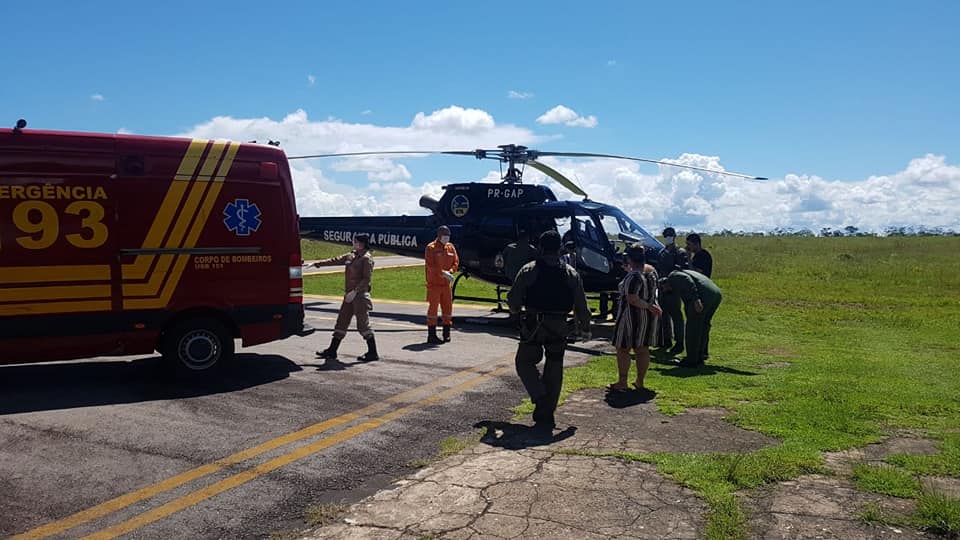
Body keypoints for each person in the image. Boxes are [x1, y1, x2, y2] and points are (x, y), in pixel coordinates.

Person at [508, 230, 591, 430]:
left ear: (541, 248)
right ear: (560, 248)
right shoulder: (571, 273)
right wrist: (585, 328)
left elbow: (514, 301)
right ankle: (547, 410)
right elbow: (581, 305)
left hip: (534, 325)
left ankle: (539, 395)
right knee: (554, 366)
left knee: (524, 362)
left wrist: (516, 312)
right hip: (559, 326)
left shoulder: (529, 270)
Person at [314, 233, 378, 362]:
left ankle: (373, 353)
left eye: (355, 241)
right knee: (341, 322)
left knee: (363, 325)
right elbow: (335, 260)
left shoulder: (366, 259)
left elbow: (367, 279)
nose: (353, 243)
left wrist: (355, 291)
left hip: (359, 296)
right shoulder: (351, 255)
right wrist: (318, 264)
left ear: (361, 243)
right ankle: (332, 351)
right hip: (349, 296)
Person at [610, 245, 663, 392]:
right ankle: (640, 381)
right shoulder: (652, 272)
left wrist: (647, 306)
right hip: (647, 318)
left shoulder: (633, 277)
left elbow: (633, 299)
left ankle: (622, 381)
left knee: (622, 348)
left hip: (630, 318)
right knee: (642, 349)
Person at [660, 269, 722, 367]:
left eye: (664, 290)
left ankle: (691, 360)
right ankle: (700, 356)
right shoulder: (683, 274)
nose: (666, 292)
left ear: (664, 284)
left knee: (693, 328)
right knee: (703, 327)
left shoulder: (674, 276)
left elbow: (687, 280)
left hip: (703, 296)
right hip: (715, 294)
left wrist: (696, 299)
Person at [424, 225, 459, 344]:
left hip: (446, 285)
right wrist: (442, 273)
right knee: (433, 310)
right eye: (444, 236)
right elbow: (430, 265)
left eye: (448, 236)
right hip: (434, 284)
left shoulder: (450, 247)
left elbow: (456, 261)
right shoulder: (431, 248)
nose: (446, 238)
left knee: (447, 308)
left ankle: (446, 333)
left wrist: (451, 271)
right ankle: (431, 335)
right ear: (439, 236)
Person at [656, 227, 689, 355]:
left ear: (674, 236)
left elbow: (682, 270)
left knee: (676, 315)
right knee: (663, 314)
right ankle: (666, 339)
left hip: (674, 288)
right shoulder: (662, 253)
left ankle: (679, 342)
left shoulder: (680, 253)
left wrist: (671, 284)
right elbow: (659, 270)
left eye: (669, 235)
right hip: (662, 287)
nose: (667, 238)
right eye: (666, 236)